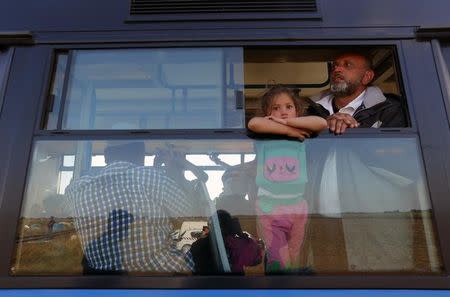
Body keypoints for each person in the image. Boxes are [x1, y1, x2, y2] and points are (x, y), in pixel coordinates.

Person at [65, 142, 194, 274]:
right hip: (164, 279)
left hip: (102, 282)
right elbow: (193, 220)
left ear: (105, 157)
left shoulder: (77, 190)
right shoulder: (150, 178)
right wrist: (173, 171)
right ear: (141, 156)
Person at [247, 85, 327, 273]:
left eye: (288, 107)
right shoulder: (264, 134)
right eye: (276, 108)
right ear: (268, 112)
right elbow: (254, 124)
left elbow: (321, 123)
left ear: (297, 111)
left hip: (297, 206)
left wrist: (290, 124)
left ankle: (291, 286)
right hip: (270, 206)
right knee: (278, 257)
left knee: (295, 253)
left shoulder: (304, 130)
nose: (283, 112)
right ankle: (281, 287)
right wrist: (288, 131)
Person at [309, 52, 407, 134]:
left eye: (347, 65)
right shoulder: (310, 109)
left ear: (367, 77)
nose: (336, 70)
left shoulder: (390, 109)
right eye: (335, 65)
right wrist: (324, 126)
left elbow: (392, 152)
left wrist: (353, 130)